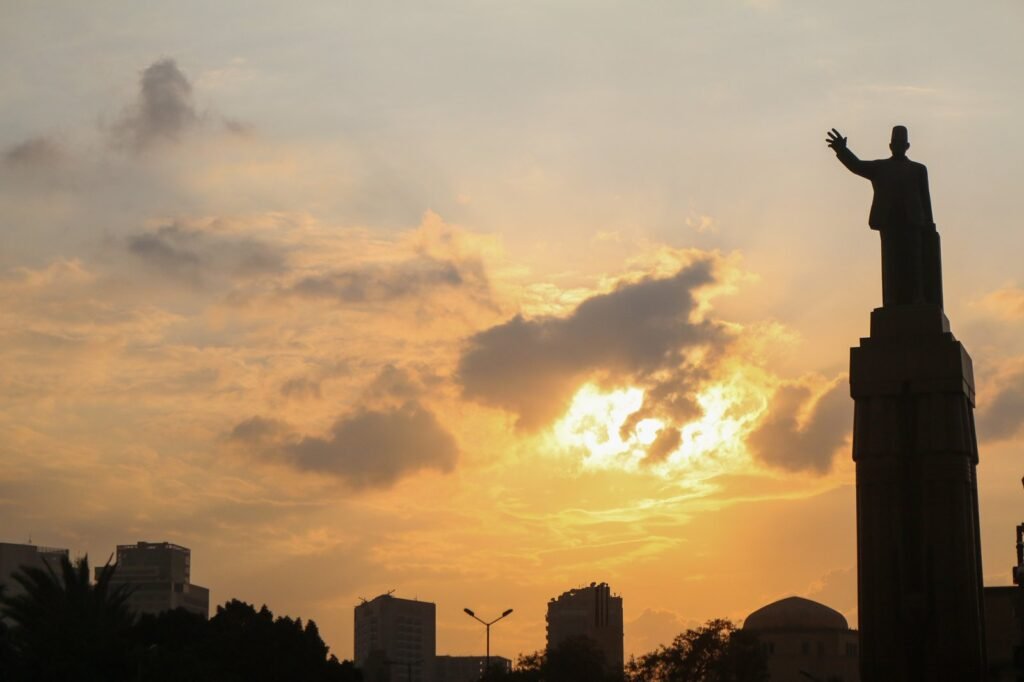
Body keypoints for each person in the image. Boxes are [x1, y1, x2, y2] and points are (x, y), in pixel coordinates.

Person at [826, 126, 943, 308]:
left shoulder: (918, 169)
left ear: (907, 146)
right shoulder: (880, 167)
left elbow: (925, 197)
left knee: (915, 262)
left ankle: (917, 298)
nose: (897, 146)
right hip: (889, 221)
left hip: (913, 222)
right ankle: (891, 300)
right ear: (890, 145)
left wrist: (929, 222)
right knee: (890, 263)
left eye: (901, 143)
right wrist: (841, 149)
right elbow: (856, 165)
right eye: (895, 143)